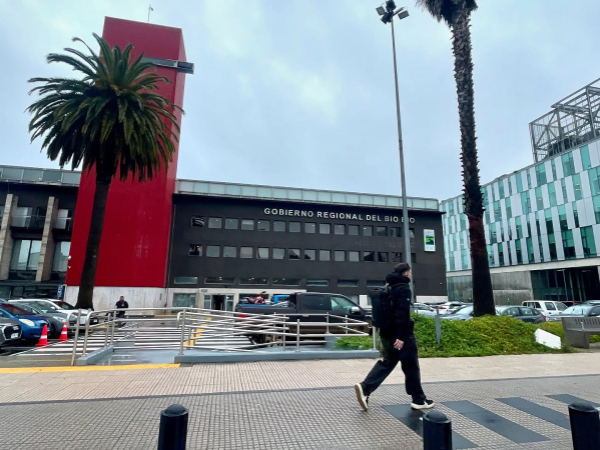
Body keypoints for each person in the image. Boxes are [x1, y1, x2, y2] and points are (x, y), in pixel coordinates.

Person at [354, 263, 434, 411]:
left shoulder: (388, 287)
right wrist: (401, 337)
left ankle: (365, 388)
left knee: (388, 362)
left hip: (386, 332)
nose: (410, 274)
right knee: (411, 366)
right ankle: (418, 400)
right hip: (401, 335)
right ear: (407, 273)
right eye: (410, 272)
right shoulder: (403, 288)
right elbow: (402, 313)